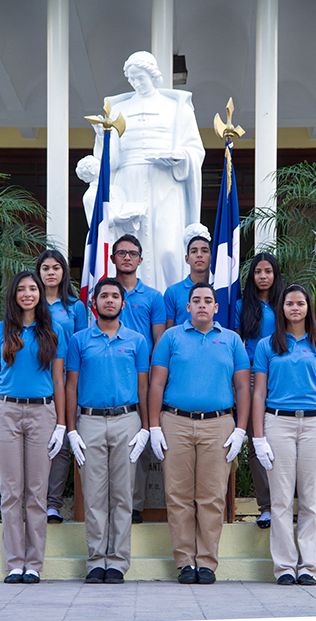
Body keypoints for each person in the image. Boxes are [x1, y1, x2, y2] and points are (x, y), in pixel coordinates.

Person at [149, 283, 250, 584]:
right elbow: (156, 384)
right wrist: (154, 425)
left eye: (208, 300)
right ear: (188, 307)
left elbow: (243, 386)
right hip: (175, 422)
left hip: (218, 424)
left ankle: (206, 562)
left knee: (211, 496)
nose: (202, 305)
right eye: (196, 300)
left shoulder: (231, 340)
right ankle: (184, 562)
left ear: (217, 308)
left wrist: (241, 429)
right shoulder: (171, 337)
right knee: (178, 495)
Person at [83, 50, 205, 293]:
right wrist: (102, 138)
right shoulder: (119, 110)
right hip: (129, 183)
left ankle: (170, 306)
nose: (137, 83)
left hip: (166, 183)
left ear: (154, 75)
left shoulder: (176, 107)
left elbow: (194, 149)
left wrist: (180, 158)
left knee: (168, 248)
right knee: (127, 247)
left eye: (141, 77)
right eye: (132, 79)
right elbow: (112, 162)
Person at [252, 283, 316, 586]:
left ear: (307, 308)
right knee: (280, 500)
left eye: (300, 303)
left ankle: (307, 567)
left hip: (315, 425)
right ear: (282, 308)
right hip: (278, 424)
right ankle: (285, 567)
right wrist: (258, 436)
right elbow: (259, 393)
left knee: (311, 500)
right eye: (289, 303)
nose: (294, 308)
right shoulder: (267, 346)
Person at [0, 271, 66, 584]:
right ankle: (15, 563)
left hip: (42, 413)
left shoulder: (51, 333)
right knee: (11, 491)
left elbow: (59, 379)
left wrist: (61, 424)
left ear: (40, 294)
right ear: (13, 295)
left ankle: (34, 564)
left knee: (36, 492)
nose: (28, 293)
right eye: (22, 289)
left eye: (33, 288)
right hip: (6, 411)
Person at [65, 278, 150, 584]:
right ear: (94, 303)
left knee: (123, 495)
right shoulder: (79, 341)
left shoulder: (137, 341)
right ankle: (95, 561)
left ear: (123, 304)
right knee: (94, 495)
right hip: (89, 422)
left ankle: (117, 561)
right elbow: (71, 386)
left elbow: (144, 386)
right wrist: (71, 429)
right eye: (104, 296)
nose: (110, 300)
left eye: (115, 296)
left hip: (127, 421)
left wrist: (147, 427)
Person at [110, 234, 166, 524]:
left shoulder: (154, 297)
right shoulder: (105, 292)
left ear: (141, 260)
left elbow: (158, 340)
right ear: (113, 258)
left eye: (133, 253)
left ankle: (134, 504)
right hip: (110, 373)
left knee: (139, 440)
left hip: (141, 376)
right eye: (122, 253)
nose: (127, 258)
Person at [35, 249, 88, 524]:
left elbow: (81, 344)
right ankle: (36, 501)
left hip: (69, 379)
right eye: (46, 268)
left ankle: (53, 504)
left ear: (64, 272)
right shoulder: (31, 303)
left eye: (56, 267)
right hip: (38, 376)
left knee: (65, 439)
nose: (51, 272)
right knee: (41, 440)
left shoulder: (75, 306)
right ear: (39, 272)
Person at [235, 253, 284, 528]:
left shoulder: (284, 303)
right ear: (251, 276)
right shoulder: (242, 305)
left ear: (275, 274)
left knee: (281, 441)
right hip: (252, 377)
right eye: (258, 272)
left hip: (280, 376)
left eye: (268, 271)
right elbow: (236, 343)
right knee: (257, 440)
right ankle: (266, 506)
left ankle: (283, 503)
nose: (263, 276)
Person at [164, 228, 212, 328]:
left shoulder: (219, 289)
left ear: (211, 257)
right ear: (187, 259)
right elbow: (168, 332)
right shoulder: (172, 292)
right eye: (194, 251)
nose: (199, 255)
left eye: (204, 251)